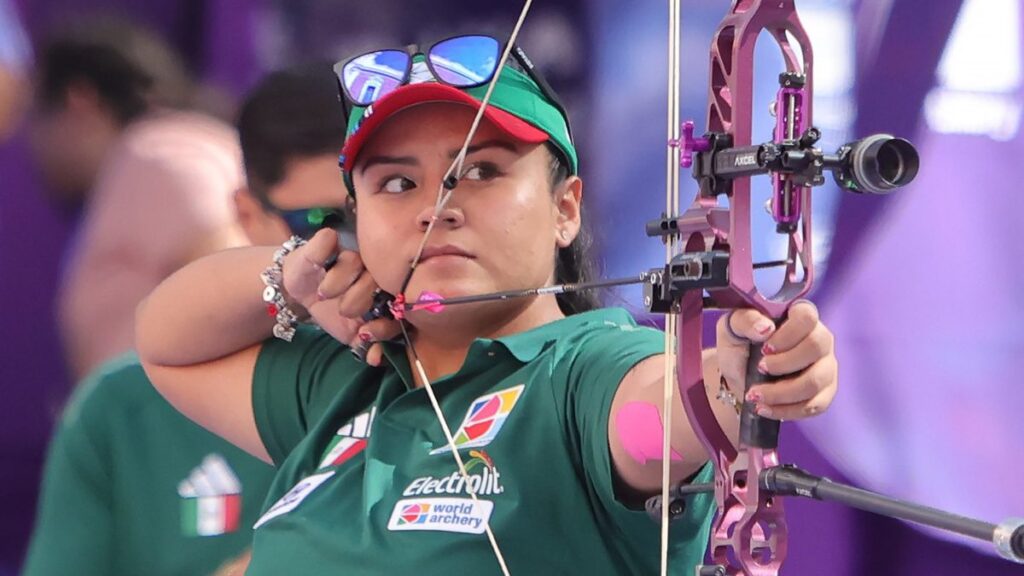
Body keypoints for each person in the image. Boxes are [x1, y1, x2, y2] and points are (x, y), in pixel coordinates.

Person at [136, 39, 838, 575]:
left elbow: (658, 420)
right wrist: (294, 276)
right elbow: (164, 340)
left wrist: (733, 381)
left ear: (565, 209)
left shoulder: (585, 372)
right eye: (395, 184)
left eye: (479, 172)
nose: (436, 207)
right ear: (357, 220)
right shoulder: (347, 386)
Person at [22, 66, 350, 576]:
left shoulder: (451, 375)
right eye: (310, 222)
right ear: (245, 213)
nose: (339, 250)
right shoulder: (119, 407)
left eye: (365, 214)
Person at [29, 18, 248, 380]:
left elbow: (234, 270)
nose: (36, 146)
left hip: (183, 429)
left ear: (77, 100)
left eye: (37, 121)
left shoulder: (156, 155)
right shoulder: (181, 149)